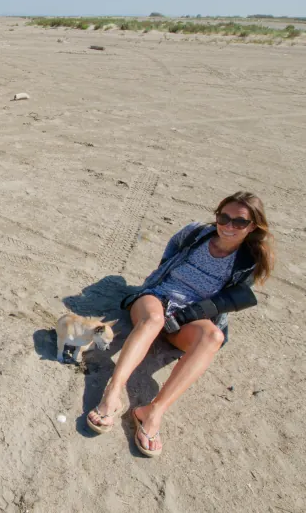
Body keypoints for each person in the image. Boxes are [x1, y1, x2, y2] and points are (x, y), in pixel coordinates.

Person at [85, 191, 275, 457]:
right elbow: (173, 247)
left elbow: (229, 298)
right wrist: (164, 272)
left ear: (252, 226)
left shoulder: (249, 260)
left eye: (239, 222)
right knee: (153, 318)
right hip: (157, 298)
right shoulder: (196, 233)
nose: (228, 226)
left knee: (214, 337)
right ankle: (113, 393)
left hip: (190, 316)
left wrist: (191, 314)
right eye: (224, 217)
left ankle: (153, 412)